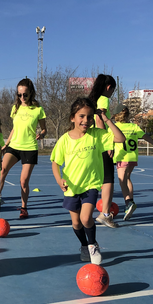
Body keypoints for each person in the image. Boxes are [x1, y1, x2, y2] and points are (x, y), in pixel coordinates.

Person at [51, 98, 125, 264]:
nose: (86, 120)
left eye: (90, 117)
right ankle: (84, 245)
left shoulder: (97, 135)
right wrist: (59, 179)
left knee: (86, 218)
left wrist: (105, 119)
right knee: (76, 223)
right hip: (71, 187)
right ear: (73, 118)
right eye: (81, 116)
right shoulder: (64, 139)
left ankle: (92, 245)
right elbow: (55, 163)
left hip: (90, 185)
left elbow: (120, 138)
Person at [0, 78, 47, 218]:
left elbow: (45, 129)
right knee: (2, 170)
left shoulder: (38, 109)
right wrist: (6, 144)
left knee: (23, 180)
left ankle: (24, 208)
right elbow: (14, 129)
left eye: (24, 95)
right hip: (14, 146)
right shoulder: (15, 108)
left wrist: (42, 134)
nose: (22, 97)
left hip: (30, 148)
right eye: (19, 94)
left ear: (31, 93)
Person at [112, 104, 153, 220]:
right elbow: (146, 137)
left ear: (116, 115)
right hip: (133, 157)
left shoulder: (114, 127)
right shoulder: (133, 126)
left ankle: (128, 203)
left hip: (121, 156)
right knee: (127, 178)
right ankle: (131, 201)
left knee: (122, 181)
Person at [88, 74, 119, 228]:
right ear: (108, 87)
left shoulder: (91, 100)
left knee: (94, 178)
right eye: (112, 91)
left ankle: (85, 210)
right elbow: (100, 119)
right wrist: (107, 144)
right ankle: (105, 213)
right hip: (101, 143)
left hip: (90, 143)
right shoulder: (103, 99)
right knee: (108, 179)